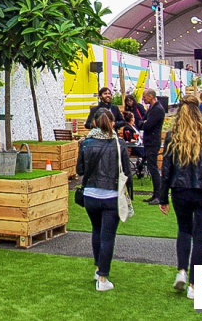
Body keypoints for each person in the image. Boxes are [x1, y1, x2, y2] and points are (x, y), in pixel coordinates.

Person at [158, 96, 202, 301]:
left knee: (184, 230)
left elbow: (166, 169)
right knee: (201, 237)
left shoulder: (173, 135)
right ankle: (194, 285)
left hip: (180, 189)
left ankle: (182, 271)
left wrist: (162, 197)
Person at [76, 108, 133, 292]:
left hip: (90, 195)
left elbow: (80, 170)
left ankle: (98, 269)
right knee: (107, 236)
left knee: (97, 230)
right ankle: (102, 277)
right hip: (111, 196)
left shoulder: (86, 143)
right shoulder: (119, 143)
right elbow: (127, 171)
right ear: (112, 123)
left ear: (94, 123)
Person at [141, 89, 166, 204]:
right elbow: (142, 122)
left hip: (153, 142)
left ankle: (158, 195)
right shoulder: (151, 108)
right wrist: (144, 123)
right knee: (152, 168)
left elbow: (147, 126)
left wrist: (144, 123)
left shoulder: (157, 109)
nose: (143, 99)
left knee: (153, 168)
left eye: (144, 96)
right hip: (148, 141)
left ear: (151, 96)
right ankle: (155, 194)